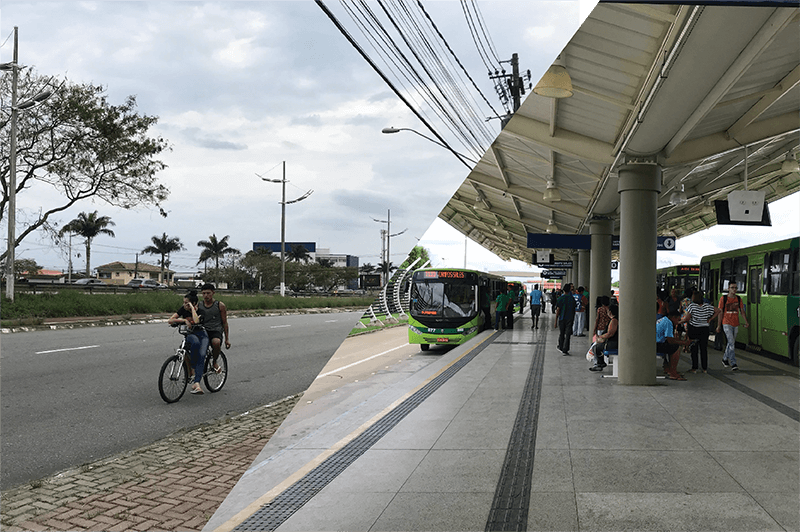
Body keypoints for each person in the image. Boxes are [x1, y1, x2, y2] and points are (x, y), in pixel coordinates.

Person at [168, 290, 208, 394]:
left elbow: (196, 321)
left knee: (202, 354)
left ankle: (197, 383)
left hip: (202, 335)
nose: (184, 305)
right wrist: (184, 320)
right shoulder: (183, 310)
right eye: (184, 302)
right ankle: (192, 370)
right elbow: (171, 320)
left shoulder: (201, 311)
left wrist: (192, 309)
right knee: (193, 343)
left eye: (187, 303)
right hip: (190, 335)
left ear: (194, 303)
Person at [681, 290, 721, 373]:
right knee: (703, 349)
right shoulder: (707, 306)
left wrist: (680, 322)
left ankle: (694, 368)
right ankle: (704, 368)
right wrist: (710, 319)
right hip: (704, 329)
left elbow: (687, 318)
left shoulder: (692, 306)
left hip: (694, 329)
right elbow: (718, 310)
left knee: (694, 350)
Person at [716, 282, 749, 371]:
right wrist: (719, 325)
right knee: (731, 342)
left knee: (731, 343)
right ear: (728, 289)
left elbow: (742, 311)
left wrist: (746, 321)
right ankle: (733, 363)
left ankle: (724, 358)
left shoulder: (738, 299)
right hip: (726, 323)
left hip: (735, 323)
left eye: (735, 288)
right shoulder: (724, 298)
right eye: (732, 287)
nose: (734, 289)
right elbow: (720, 312)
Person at [200, 283, 230, 373]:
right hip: (202, 330)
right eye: (204, 293)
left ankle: (214, 361)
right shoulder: (199, 305)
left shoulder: (220, 305)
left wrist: (227, 339)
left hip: (215, 330)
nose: (206, 295)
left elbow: (224, 323)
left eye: (208, 293)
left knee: (216, 342)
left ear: (213, 293)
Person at [656, 309, 692, 380]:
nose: (678, 322)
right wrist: (683, 343)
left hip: (655, 343)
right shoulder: (669, 323)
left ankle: (668, 368)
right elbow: (671, 341)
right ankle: (673, 372)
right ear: (673, 317)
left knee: (670, 347)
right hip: (657, 344)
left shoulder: (663, 319)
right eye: (677, 320)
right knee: (676, 348)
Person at [590, 304, 618, 371]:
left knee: (596, 347)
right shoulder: (613, 320)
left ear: (610, 312)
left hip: (613, 342)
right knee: (594, 346)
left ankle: (600, 364)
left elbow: (610, 333)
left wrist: (601, 337)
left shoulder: (614, 321)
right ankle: (598, 364)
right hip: (612, 341)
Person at [554, 283, 576, 355]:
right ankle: (565, 349)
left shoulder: (560, 298)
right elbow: (574, 308)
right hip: (570, 318)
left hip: (562, 318)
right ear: (569, 289)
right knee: (568, 334)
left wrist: (555, 321)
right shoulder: (572, 298)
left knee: (562, 333)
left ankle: (560, 346)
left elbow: (558, 310)